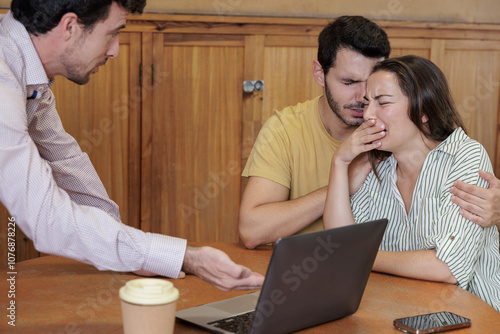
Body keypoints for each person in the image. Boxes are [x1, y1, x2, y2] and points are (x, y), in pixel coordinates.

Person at [0, 0, 263, 291]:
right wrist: (184, 258)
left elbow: (67, 163)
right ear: (70, 27)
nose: (114, 50)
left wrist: (127, 248)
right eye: (113, 33)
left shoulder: (30, 79)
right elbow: (46, 218)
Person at [238, 15, 500, 249]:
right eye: (349, 82)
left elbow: (449, 250)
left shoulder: (393, 142)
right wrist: (343, 184)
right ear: (320, 74)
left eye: (375, 89)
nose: (363, 98)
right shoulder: (286, 129)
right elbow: (251, 231)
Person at [323, 55, 500, 311]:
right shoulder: (378, 163)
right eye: (367, 103)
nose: (368, 115)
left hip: (476, 315)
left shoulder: (465, 156)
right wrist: (339, 163)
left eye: (382, 102)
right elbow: (341, 239)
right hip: (409, 310)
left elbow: (448, 267)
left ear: (424, 110)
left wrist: (358, 256)